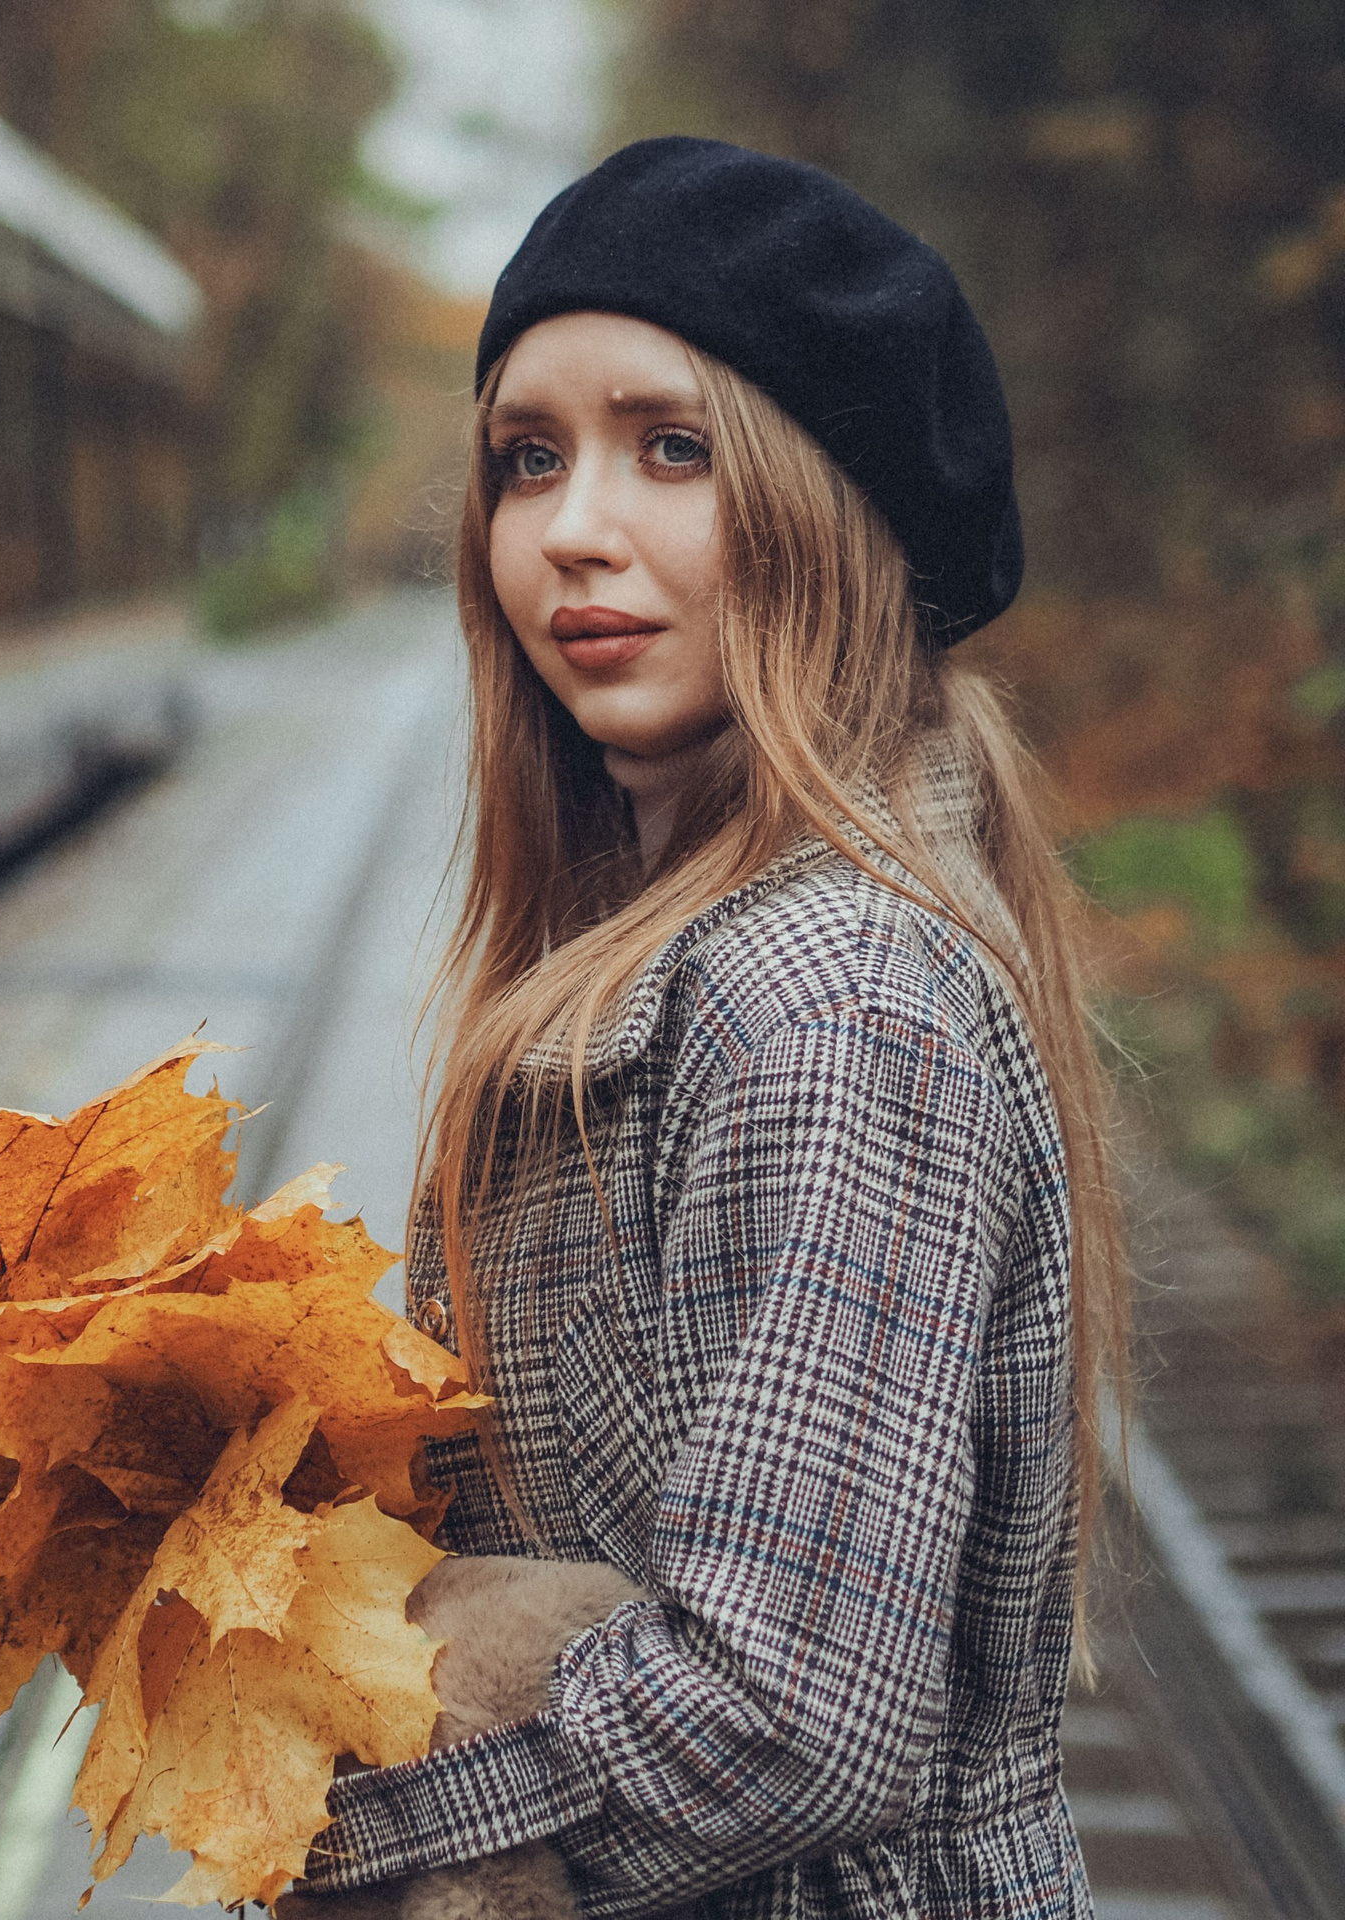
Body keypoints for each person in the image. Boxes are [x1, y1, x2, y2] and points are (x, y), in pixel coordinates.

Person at [280, 138, 1129, 1919]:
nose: (574, 526)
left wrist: (322, 1807)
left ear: (835, 508)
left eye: (674, 447)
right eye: (528, 458)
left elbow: (790, 1714)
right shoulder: (667, 948)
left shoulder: (827, 1001)